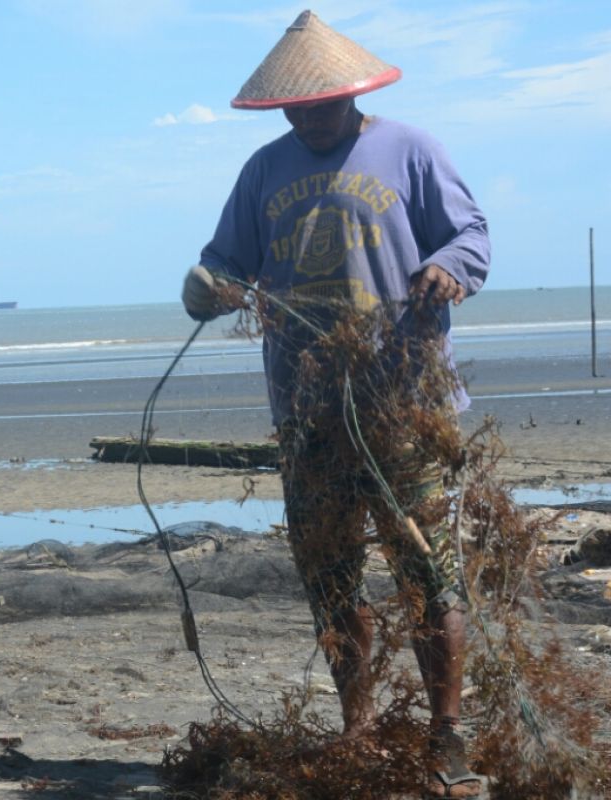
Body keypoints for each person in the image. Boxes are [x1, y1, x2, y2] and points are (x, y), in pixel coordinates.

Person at [180, 10, 490, 798]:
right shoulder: (263, 173)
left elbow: (470, 237)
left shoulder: (410, 150)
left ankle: (447, 735)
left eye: (322, 103)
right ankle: (356, 729)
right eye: (296, 107)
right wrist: (205, 286)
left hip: (403, 405)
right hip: (308, 410)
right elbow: (224, 265)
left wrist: (449, 270)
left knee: (429, 572)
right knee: (332, 579)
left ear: (352, 94)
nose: (308, 116)